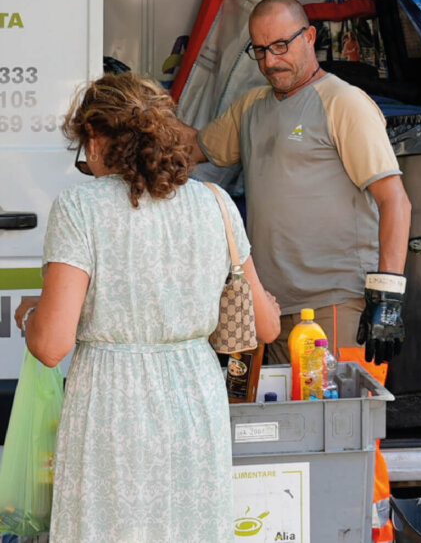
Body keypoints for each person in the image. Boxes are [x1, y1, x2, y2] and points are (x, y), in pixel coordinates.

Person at [181, 0, 411, 542]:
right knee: (280, 447)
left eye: (281, 45)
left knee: (347, 443)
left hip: (333, 307)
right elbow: (190, 149)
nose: (271, 60)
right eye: (259, 50)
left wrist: (389, 297)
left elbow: (395, 200)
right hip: (266, 314)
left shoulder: (342, 102)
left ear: (310, 38)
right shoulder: (253, 108)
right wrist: (130, 130)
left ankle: (373, 537)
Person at [14, 73, 281, 541]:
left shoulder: (80, 207)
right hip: (197, 403)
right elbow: (266, 326)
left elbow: (52, 345)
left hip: (112, 406)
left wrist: (33, 316)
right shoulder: (214, 203)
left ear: (95, 138)